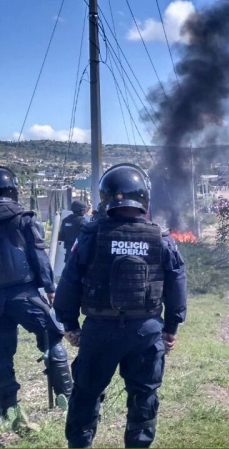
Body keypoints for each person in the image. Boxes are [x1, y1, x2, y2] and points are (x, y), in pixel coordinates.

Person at [54, 163, 187, 448]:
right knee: (144, 397)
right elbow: (177, 284)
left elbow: (69, 280)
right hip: (146, 332)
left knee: (86, 394)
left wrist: (69, 325)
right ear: (144, 199)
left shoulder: (91, 235)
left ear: (105, 197)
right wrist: (171, 329)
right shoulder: (161, 239)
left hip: (99, 330)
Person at [0, 166, 73, 428]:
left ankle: (9, 409)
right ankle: (67, 395)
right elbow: (39, 256)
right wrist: (50, 288)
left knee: (2, 355)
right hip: (25, 294)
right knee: (52, 336)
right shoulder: (24, 218)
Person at [59, 200, 88, 265]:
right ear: (80, 210)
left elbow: (61, 236)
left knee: (69, 266)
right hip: (79, 248)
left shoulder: (65, 220)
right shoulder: (82, 221)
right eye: (84, 210)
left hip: (68, 248)